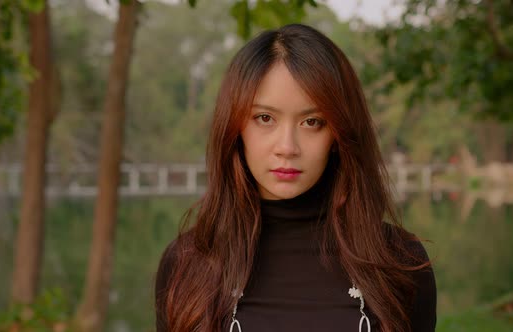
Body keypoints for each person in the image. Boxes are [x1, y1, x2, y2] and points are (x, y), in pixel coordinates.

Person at [155, 23, 436, 332]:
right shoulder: (188, 262)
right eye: (265, 118)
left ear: (338, 135)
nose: (287, 147)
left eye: (312, 121)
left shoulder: (400, 261)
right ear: (236, 129)